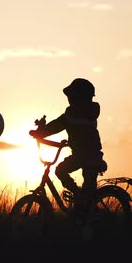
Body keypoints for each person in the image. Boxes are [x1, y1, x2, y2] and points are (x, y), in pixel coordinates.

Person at [29, 78, 107, 223]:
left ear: (79, 97)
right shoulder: (86, 112)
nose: (69, 100)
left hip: (89, 156)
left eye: (72, 96)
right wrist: (43, 131)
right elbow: (59, 125)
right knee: (64, 173)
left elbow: (58, 125)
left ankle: (88, 222)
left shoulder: (75, 114)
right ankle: (80, 201)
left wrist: (41, 132)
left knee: (87, 191)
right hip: (83, 155)